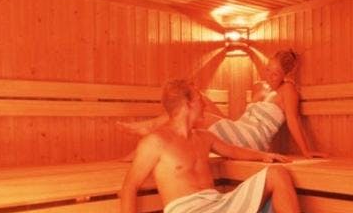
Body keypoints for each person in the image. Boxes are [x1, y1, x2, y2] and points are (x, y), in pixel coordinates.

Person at [119, 79, 353, 213]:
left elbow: (233, 150)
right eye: (200, 98)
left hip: (216, 202)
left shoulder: (203, 137)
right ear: (188, 104)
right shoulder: (156, 142)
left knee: (276, 173)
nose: (205, 103)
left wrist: (265, 156)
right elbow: (129, 187)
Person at [120, 49, 325, 158]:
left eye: (275, 73)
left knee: (194, 114)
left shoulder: (288, 90)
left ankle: (148, 130)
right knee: (198, 99)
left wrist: (306, 151)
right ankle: (139, 148)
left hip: (252, 142)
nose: (269, 76)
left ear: (286, 74)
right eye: (268, 70)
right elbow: (245, 119)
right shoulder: (260, 87)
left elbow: (293, 121)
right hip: (238, 129)